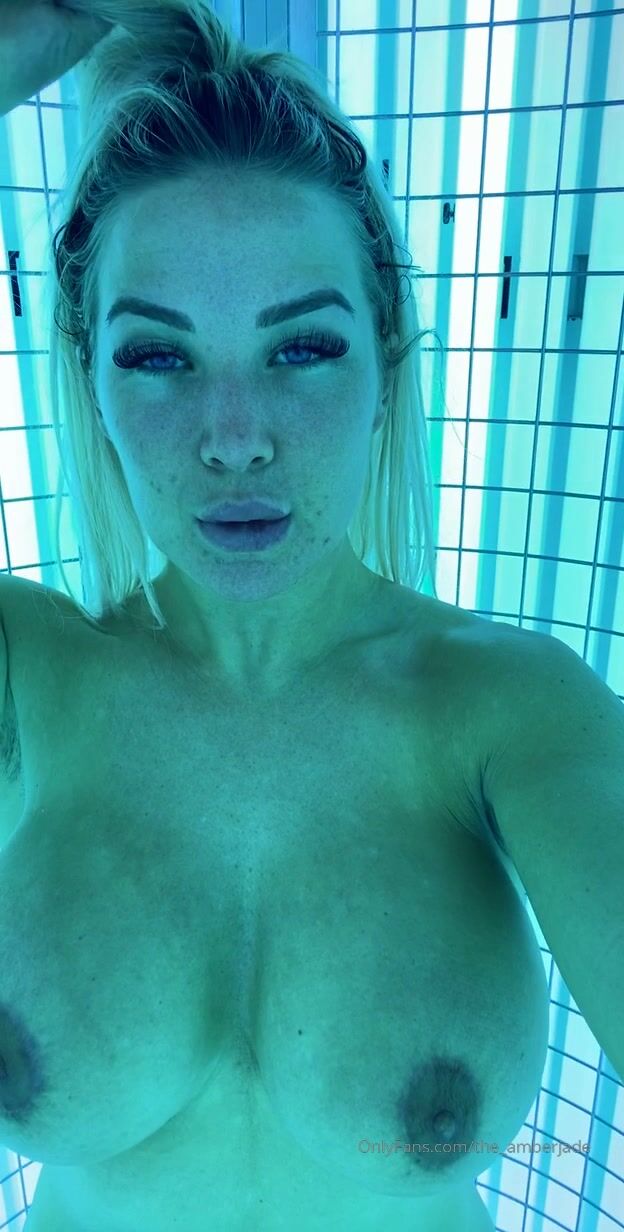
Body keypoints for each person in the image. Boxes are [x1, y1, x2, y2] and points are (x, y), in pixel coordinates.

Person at [0, 4, 549, 1230]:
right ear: (88, 375)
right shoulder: (24, 678)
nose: (235, 439)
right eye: (158, 357)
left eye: (301, 347)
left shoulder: (514, 711)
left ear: (386, 360)